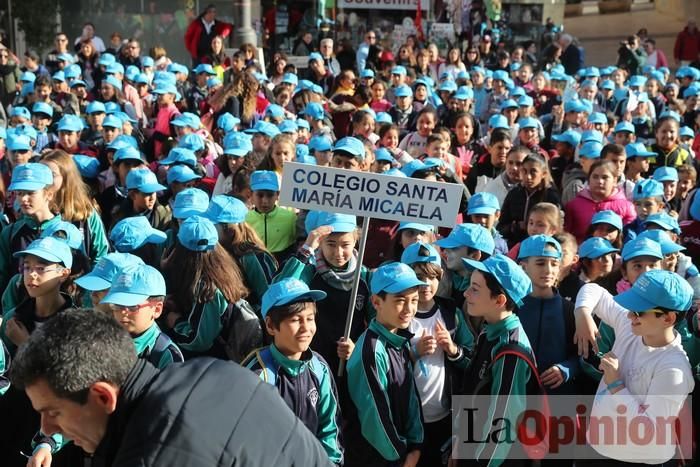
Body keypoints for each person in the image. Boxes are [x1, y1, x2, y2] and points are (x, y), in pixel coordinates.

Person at [9, 309, 335, 466]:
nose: (46, 428)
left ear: (102, 396)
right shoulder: (215, 371)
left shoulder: (151, 457)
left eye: (52, 412)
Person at [574, 269, 695, 465]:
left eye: (639, 311)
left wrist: (615, 384)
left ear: (668, 319)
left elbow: (650, 430)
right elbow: (593, 290)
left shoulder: (674, 369)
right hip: (597, 450)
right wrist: (582, 312)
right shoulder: (632, 327)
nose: (630, 315)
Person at [243, 278, 344, 465]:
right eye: (296, 320)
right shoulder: (258, 376)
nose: (306, 328)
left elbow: (329, 427)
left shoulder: (319, 367)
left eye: (310, 318)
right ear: (271, 326)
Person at [346, 262, 425, 467]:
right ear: (376, 302)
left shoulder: (398, 340)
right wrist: (401, 456)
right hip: (379, 458)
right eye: (399, 300)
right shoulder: (370, 351)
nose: (409, 309)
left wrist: (416, 444)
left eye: (414, 300)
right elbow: (375, 416)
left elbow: (410, 398)